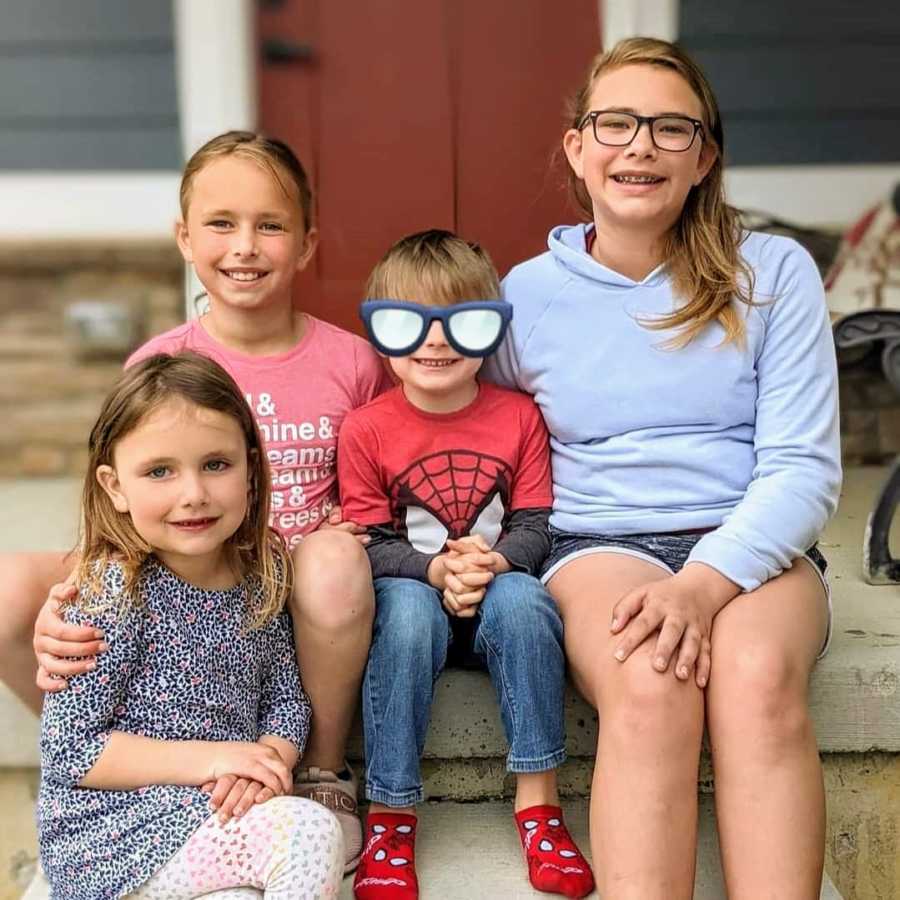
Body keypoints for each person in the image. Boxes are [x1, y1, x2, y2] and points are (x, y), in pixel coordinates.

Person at [483, 37, 842, 899]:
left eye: (671, 128)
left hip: (754, 543)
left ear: (705, 155)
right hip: (599, 543)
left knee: (754, 679)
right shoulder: (524, 295)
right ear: (577, 146)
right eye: (616, 122)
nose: (640, 145)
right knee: (651, 682)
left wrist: (705, 584)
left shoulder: (772, 274)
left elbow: (802, 468)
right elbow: (481, 443)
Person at [13, 130, 393, 871]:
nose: (244, 246)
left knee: (334, 559)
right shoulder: (158, 360)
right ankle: (112, 759)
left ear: (308, 244)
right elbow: (123, 488)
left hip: (285, 579)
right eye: (221, 224)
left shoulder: (351, 361)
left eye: (270, 225)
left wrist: (350, 526)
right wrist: (71, 596)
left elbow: (376, 486)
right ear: (184, 238)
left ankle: (318, 772)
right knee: (5, 586)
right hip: (173, 567)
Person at [338, 230, 595, 900]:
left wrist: (493, 564)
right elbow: (369, 538)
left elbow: (536, 523)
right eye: (410, 323)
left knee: (526, 601)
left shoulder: (517, 416)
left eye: (461, 321)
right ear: (380, 332)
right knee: (407, 617)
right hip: (412, 598)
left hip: (496, 589)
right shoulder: (365, 429)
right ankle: (391, 817)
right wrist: (434, 573)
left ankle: (539, 805)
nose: (436, 341)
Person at [38, 352, 344, 899]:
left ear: (250, 468)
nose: (193, 494)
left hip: (216, 811)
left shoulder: (259, 574)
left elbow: (286, 702)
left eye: (216, 464)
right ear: (114, 487)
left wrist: (263, 763)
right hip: (116, 840)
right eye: (159, 471)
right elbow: (70, 748)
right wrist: (218, 757)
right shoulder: (115, 592)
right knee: (309, 830)